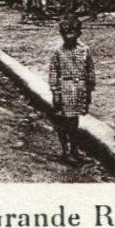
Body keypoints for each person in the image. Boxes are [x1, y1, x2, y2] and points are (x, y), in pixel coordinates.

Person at [47, 15, 96, 164]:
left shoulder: (84, 50)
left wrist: (89, 90)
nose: (69, 37)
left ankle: (75, 149)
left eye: (72, 34)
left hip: (79, 88)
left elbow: (90, 71)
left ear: (78, 34)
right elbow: (54, 72)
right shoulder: (58, 52)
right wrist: (55, 91)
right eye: (65, 34)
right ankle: (66, 150)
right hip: (65, 89)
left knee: (74, 120)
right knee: (63, 120)